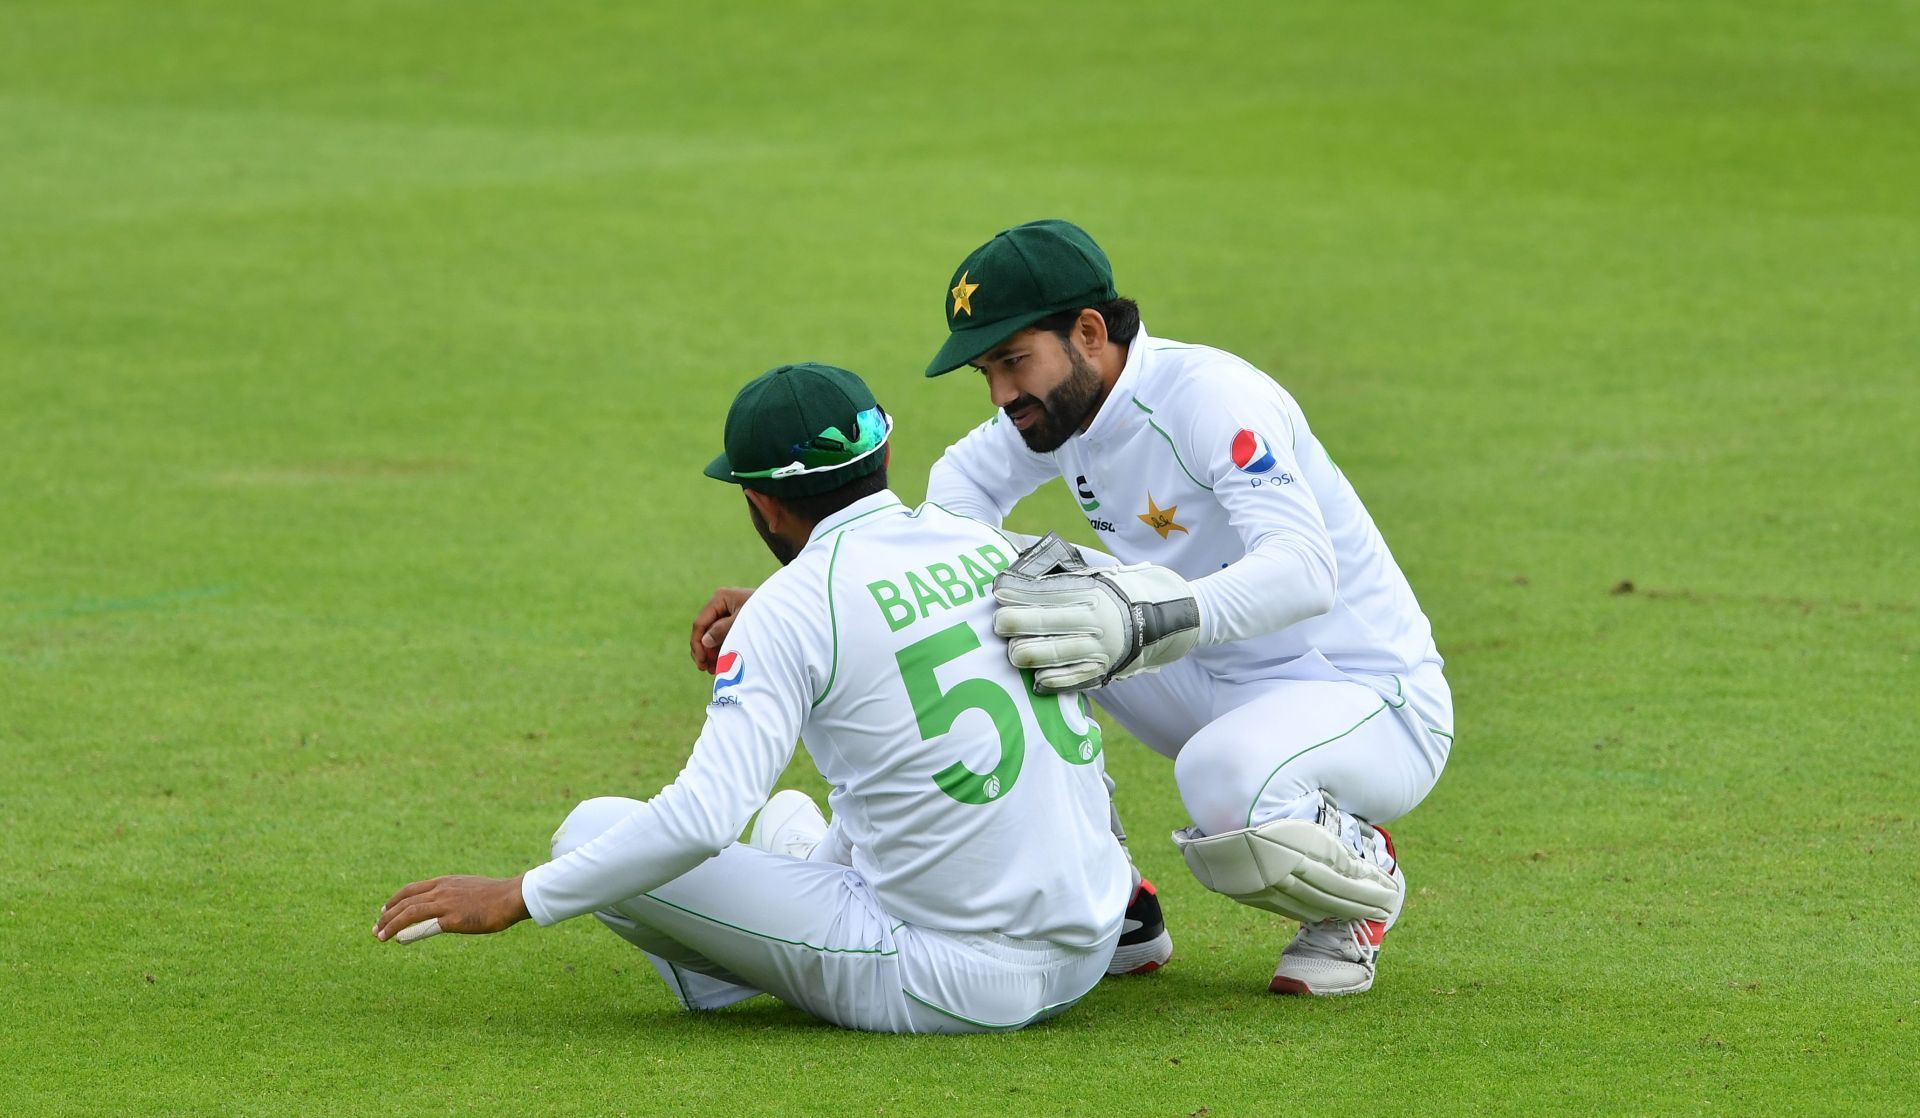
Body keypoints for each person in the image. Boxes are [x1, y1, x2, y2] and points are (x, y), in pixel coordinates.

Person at [373, 363, 1134, 1033]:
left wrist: (517, 895)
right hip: (1089, 944)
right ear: (886, 455)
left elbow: (703, 818)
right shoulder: (984, 542)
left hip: (955, 981)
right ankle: (756, 956)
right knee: (786, 819)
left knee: (587, 834)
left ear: (762, 505)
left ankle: (727, 976)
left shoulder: (794, 606)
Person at [917, 219, 1454, 996]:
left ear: (1089, 332)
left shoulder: (1209, 397)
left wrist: (1142, 615)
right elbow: (948, 514)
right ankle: (1107, 899)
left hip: (1371, 698)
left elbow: (1306, 571)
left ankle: (1357, 891)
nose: (1002, 395)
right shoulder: (1058, 409)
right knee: (994, 588)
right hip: (1211, 683)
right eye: (985, 372)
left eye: (1012, 361)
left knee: (1219, 780)